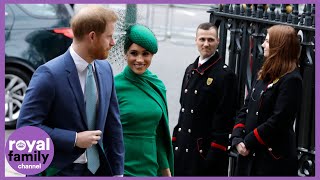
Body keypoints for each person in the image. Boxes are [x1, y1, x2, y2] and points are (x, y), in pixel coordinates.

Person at [17, 5, 124, 176]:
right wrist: (74, 139)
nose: (113, 43)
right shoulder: (49, 74)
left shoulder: (105, 70)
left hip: (98, 171)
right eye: (109, 37)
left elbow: (113, 125)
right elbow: (26, 128)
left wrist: (118, 172)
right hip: (59, 171)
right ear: (92, 36)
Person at [230, 25, 302, 176]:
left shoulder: (291, 79)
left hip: (271, 161)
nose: (263, 44)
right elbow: (247, 107)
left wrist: (248, 141)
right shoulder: (266, 72)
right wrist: (237, 137)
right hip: (248, 155)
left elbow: (279, 120)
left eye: (267, 41)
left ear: (279, 46)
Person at [172, 22, 237, 176]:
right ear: (196, 40)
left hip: (204, 155)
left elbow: (225, 119)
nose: (206, 44)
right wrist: (175, 141)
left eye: (210, 40)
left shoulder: (225, 75)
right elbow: (184, 110)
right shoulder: (190, 70)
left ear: (218, 41)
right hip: (183, 150)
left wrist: (213, 156)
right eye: (202, 39)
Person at [114, 24, 173, 176]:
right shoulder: (114, 86)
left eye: (145, 54)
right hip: (121, 166)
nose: (139, 60)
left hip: (150, 167)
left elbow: (160, 132)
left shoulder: (157, 85)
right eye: (134, 53)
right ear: (125, 53)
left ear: (151, 55)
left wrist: (165, 167)